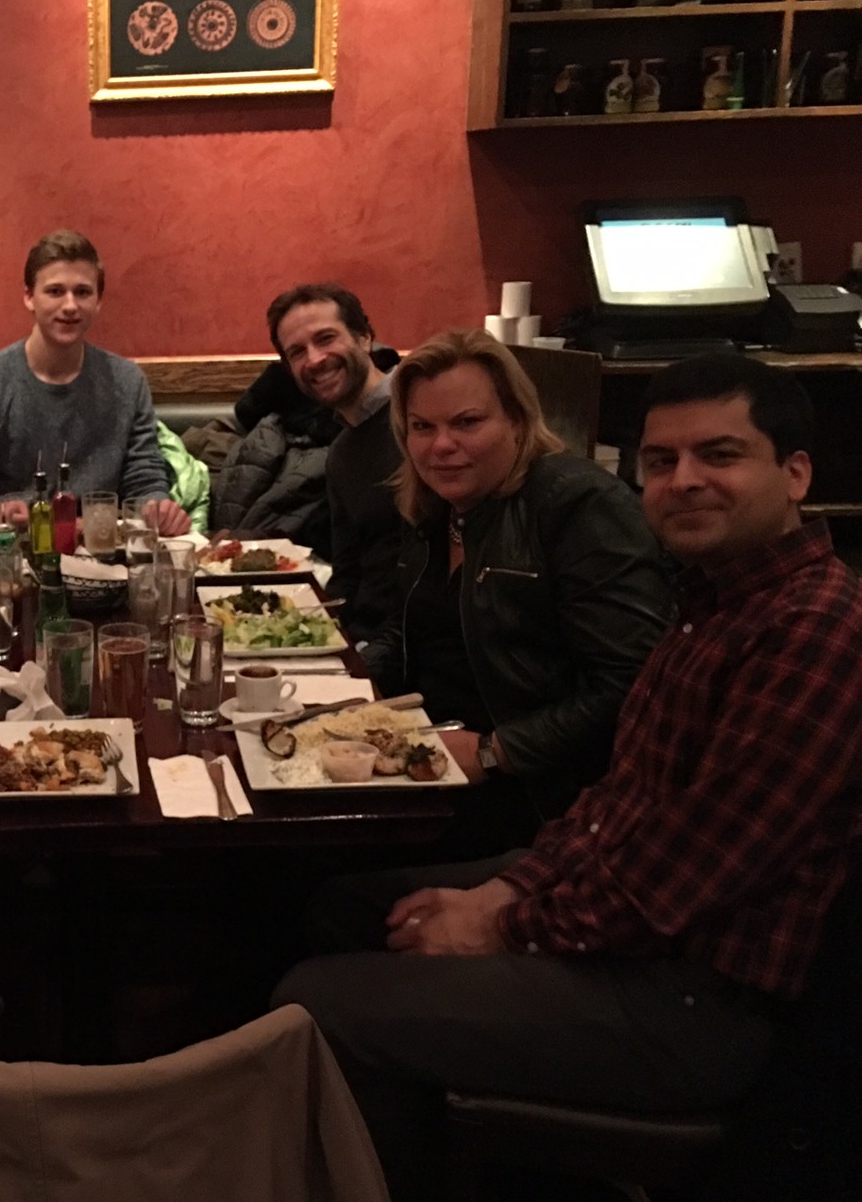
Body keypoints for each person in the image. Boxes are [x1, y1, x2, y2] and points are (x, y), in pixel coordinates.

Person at [271, 354, 862, 1202]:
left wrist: (506, 925)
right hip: (641, 939)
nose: (683, 482)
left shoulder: (815, 633)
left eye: (720, 456)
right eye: (661, 463)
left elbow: (679, 878)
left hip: (697, 1004)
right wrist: (512, 885)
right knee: (343, 910)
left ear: (796, 471)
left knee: (318, 1000)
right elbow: (620, 807)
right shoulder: (716, 605)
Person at [365, 330, 670, 855]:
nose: (441, 445)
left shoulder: (578, 505)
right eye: (422, 427)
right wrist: (338, 694)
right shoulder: (438, 508)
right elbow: (413, 627)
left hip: (535, 800)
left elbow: (633, 685)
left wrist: (493, 751)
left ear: (518, 419)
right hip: (426, 761)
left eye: (467, 422)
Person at [0, 229, 190, 534]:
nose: (70, 305)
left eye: (83, 292)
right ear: (29, 297)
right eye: (55, 291)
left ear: (99, 301)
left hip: (103, 552)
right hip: (10, 553)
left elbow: (145, 482)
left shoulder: (127, 382)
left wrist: (158, 509)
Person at [263, 284, 403, 651]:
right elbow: (347, 574)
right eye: (297, 352)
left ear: (365, 338)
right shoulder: (342, 451)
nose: (314, 359)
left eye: (326, 338)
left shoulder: (420, 423)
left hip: (411, 651)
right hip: (362, 643)